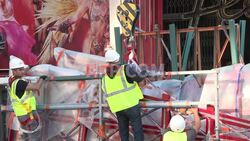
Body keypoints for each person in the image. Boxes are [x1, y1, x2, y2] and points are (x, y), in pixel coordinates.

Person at [101, 49, 146, 141]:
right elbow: (140, 80)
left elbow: (105, 91)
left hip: (118, 108)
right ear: (117, 59)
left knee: (123, 133)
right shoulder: (126, 69)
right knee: (137, 131)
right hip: (131, 105)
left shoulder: (104, 78)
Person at [8, 55, 46, 141]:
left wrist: (31, 66)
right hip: (27, 114)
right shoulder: (20, 83)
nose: (23, 71)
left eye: (22, 69)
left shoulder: (12, 80)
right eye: (20, 70)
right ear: (14, 71)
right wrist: (42, 78)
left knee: (25, 137)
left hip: (21, 114)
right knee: (34, 137)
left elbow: (24, 70)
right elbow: (36, 87)